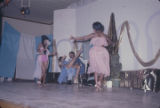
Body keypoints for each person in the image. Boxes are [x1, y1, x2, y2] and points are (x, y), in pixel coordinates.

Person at [70, 22, 111, 90]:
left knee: (96, 68)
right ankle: (99, 82)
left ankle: (97, 84)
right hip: (101, 51)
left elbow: (84, 38)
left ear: (95, 28)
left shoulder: (94, 35)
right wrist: (105, 44)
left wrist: (75, 38)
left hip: (95, 51)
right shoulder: (104, 35)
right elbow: (110, 42)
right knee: (102, 68)